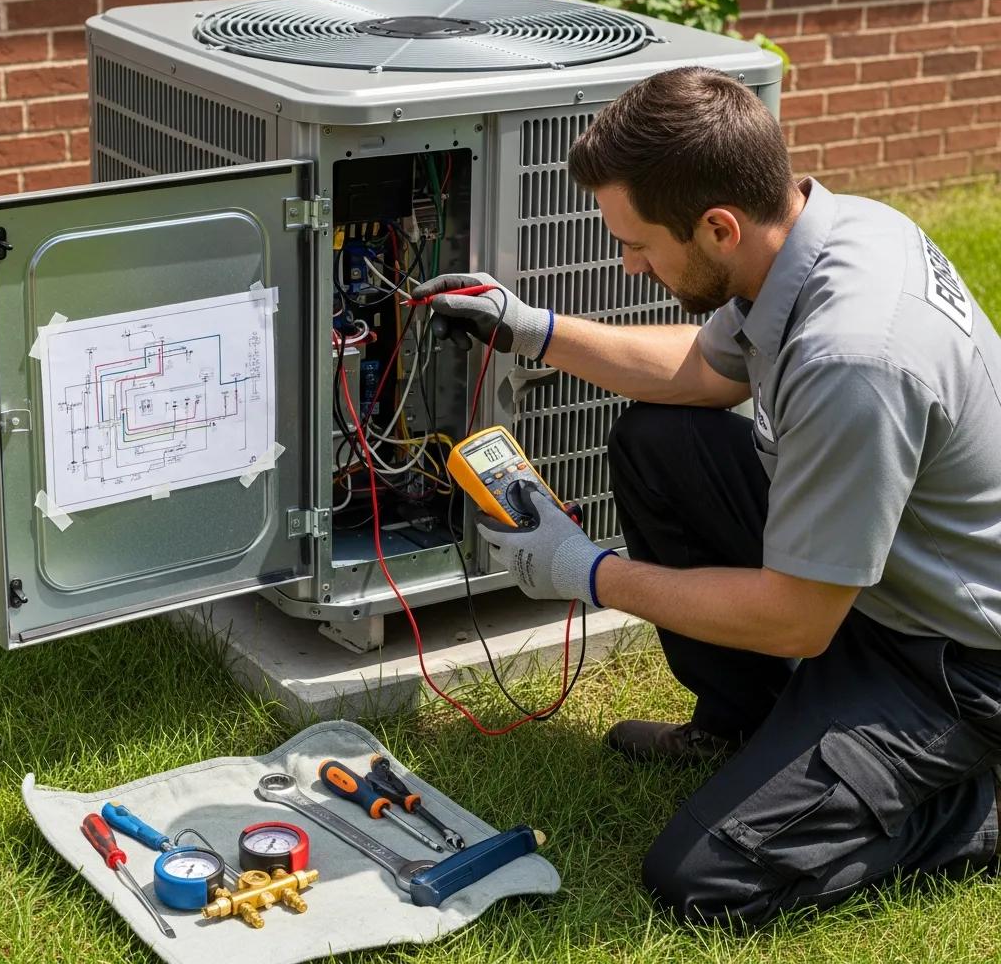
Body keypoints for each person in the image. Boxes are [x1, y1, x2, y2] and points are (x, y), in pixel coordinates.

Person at [407, 66, 1001, 926]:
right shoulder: (825, 234)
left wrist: (585, 571)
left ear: (720, 226)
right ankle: (744, 724)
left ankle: (975, 806)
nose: (629, 262)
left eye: (639, 244)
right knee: (660, 441)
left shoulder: (854, 356)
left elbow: (798, 621)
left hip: (951, 662)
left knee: (702, 879)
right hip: (880, 586)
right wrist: (530, 329)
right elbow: (701, 372)